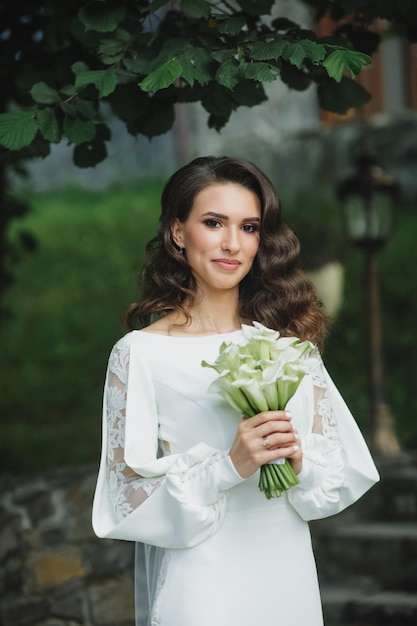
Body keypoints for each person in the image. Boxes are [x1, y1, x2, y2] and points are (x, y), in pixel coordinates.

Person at [92, 156, 379, 626]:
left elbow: (335, 472)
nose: (232, 244)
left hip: (287, 573)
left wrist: (297, 457)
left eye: (248, 227)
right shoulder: (139, 353)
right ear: (177, 232)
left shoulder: (288, 346)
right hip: (203, 581)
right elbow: (126, 499)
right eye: (213, 223)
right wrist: (228, 466)